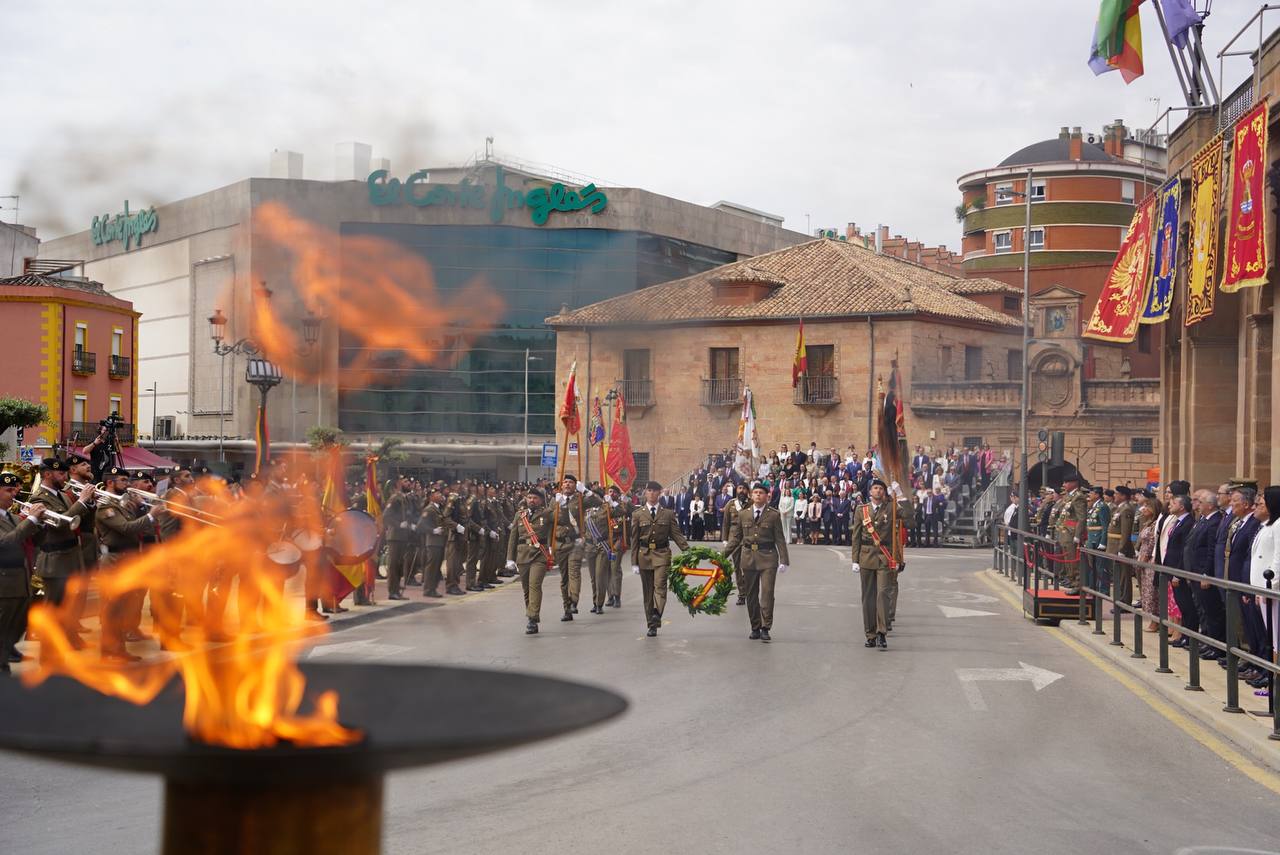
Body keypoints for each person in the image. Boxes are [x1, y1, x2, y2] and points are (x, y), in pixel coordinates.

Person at [95, 467, 166, 661]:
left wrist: (142, 507)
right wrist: (151, 514)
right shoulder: (105, 506)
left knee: (122, 607)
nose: (127, 485)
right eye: (123, 481)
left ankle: (118, 649)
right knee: (112, 608)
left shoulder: (122, 504)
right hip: (114, 561)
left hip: (126, 560)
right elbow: (126, 528)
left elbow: (140, 528)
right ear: (110, 482)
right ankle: (109, 650)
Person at [850, 478, 912, 650]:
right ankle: (869, 634)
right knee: (868, 598)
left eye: (881, 489)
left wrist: (900, 495)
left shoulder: (891, 508)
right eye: (875, 488)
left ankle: (882, 633)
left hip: (885, 558)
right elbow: (855, 537)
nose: (878, 491)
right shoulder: (861, 510)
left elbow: (909, 517)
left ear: (884, 492)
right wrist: (854, 560)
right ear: (870, 492)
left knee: (883, 595)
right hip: (866, 557)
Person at [724, 482, 790, 642]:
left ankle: (765, 627)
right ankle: (755, 626)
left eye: (761, 493)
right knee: (751, 595)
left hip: (768, 557)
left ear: (767, 496)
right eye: (755, 493)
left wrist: (784, 560)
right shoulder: (743, 514)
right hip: (748, 558)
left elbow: (780, 539)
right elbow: (736, 539)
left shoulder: (773, 515)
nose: (758, 495)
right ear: (751, 496)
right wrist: (722, 555)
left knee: (767, 594)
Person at [631, 480, 689, 637]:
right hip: (644, 556)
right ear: (645, 493)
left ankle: (657, 613)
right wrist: (634, 562)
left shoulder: (668, 514)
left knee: (660, 586)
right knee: (647, 592)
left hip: (662, 554)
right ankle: (652, 624)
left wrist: (688, 551)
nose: (651, 493)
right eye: (648, 490)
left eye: (654, 491)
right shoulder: (637, 514)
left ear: (659, 493)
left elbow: (676, 534)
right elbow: (634, 540)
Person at [0, 471, 42, 674]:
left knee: (17, 626)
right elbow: (6, 542)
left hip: (21, 580)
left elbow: (30, 538)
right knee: (3, 625)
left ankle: (5, 658)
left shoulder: (12, 516)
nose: (13, 494)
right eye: (8, 490)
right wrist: (31, 520)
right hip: (4, 582)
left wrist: (40, 521)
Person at [505, 487, 557, 635]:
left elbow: (560, 522)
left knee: (535, 585)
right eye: (529, 498)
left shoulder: (547, 513)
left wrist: (559, 502)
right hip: (522, 555)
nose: (531, 500)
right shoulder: (519, 515)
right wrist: (510, 558)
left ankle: (532, 619)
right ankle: (532, 614)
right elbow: (513, 538)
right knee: (526, 589)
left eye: (535, 498)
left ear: (540, 500)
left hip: (539, 555)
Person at [1159, 494, 1195, 643]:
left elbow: (1183, 552)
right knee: (1182, 605)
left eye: (1173, 503)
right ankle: (1184, 636)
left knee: (1186, 606)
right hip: (1171, 569)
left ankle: (1188, 637)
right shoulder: (1179, 522)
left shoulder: (1187, 523)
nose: (1169, 505)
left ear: (1181, 506)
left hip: (1178, 571)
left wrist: (1177, 574)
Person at [1052, 474, 1089, 594]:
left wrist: (1078, 535)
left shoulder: (1078, 497)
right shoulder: (1069, 497)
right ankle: (1072, 582)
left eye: (1066, 483)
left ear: (1074, 483)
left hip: (1072, 533)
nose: (1064, 485)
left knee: (1073, 561)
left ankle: (1078, 585)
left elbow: (1081, 518)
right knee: (1068, 561)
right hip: (1065, 532)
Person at [1107, 485, 1137, 607]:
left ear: (1123, 496)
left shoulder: (1126, 509)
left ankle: (1124, 601)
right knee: (1118, 576)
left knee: (1124, 577)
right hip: (1114, 545)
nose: (1114, 496)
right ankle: (1119, 599)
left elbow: (1126, 532)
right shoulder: (1119, 509)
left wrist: (1122, 549)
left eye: (1117, 494)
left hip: (1121, 547)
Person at [720, 484, 751, 606]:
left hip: (748, 538)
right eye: (739, 488)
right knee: (738, 567)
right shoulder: (731, 504)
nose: (741, 491)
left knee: (748, 567)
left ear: (747, 491)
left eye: (744, 489)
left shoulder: (752, 503)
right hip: (734, 539)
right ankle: (742, 595)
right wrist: (724, 539)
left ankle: (749, 590)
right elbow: (725, 523)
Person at [1084, 485, 1111, 594]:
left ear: (1097, 494)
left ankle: (1104, 590)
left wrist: (1103, 542)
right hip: (1092, 538)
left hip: (1098, 539)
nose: (1089, 495)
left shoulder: (1102, 506)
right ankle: (1093, 587)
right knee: (1092, 566)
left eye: (1091, 493)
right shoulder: (1094, 506)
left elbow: (1105, 525)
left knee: (1101, 567)